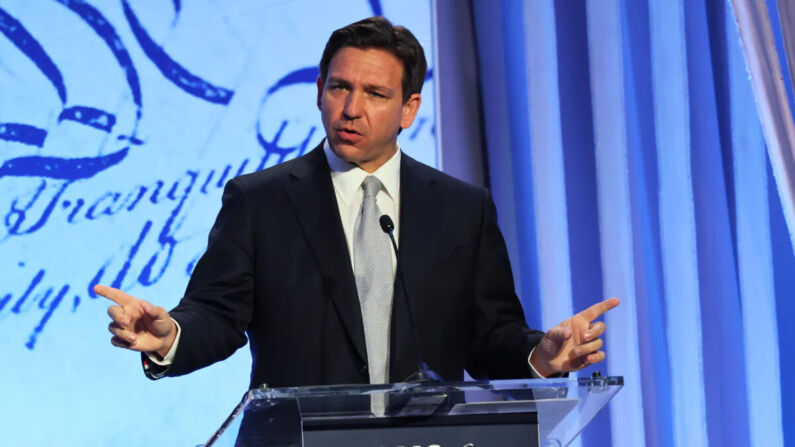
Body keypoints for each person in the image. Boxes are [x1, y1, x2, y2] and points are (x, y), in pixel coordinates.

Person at [98, 17, 619, 390]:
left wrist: (539, 355)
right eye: (340, 87)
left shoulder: (462, 210)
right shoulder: (261, 201)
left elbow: (489, 336)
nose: (351, 109)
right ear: (319, 89)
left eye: (374, 93)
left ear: (408, 108)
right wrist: (172, 336)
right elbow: (217, 313)